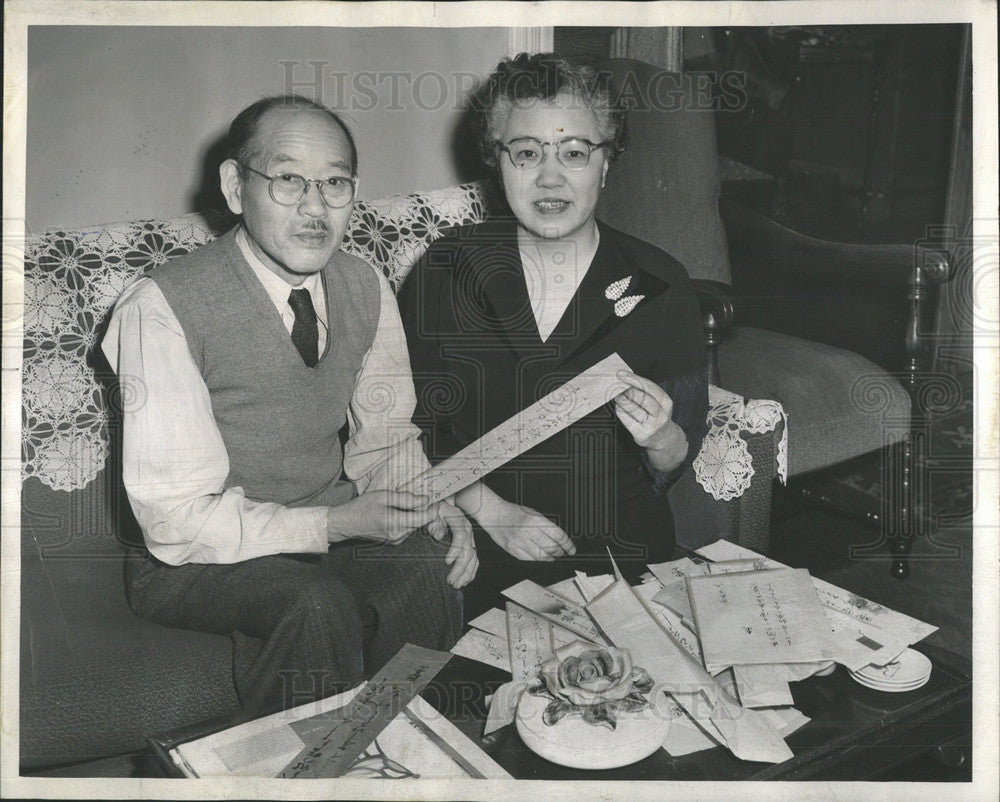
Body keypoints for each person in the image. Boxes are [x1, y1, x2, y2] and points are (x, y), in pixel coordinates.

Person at [101, 95, 477, 713]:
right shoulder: (158, 309)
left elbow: (385, 438)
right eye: (287, 180)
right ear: (233, 186)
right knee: (314, 604)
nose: (314, 207)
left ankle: (415, 757)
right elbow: (174, 523)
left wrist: (431, 505)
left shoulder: (364, 284)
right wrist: (336, 525)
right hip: (191, 560)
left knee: (427, 568)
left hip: (320, 530)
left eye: (334, 183)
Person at [397, 54, 708, 609]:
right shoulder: (444, 271)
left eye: (574, 153)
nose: (550, 177)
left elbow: (677, 456)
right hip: (483, 544)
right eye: (526, 153)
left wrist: (659, 435)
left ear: (606, 163)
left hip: (625, 550)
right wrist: (495, 514)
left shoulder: (660, 282)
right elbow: (412, 427)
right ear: (497, 161)